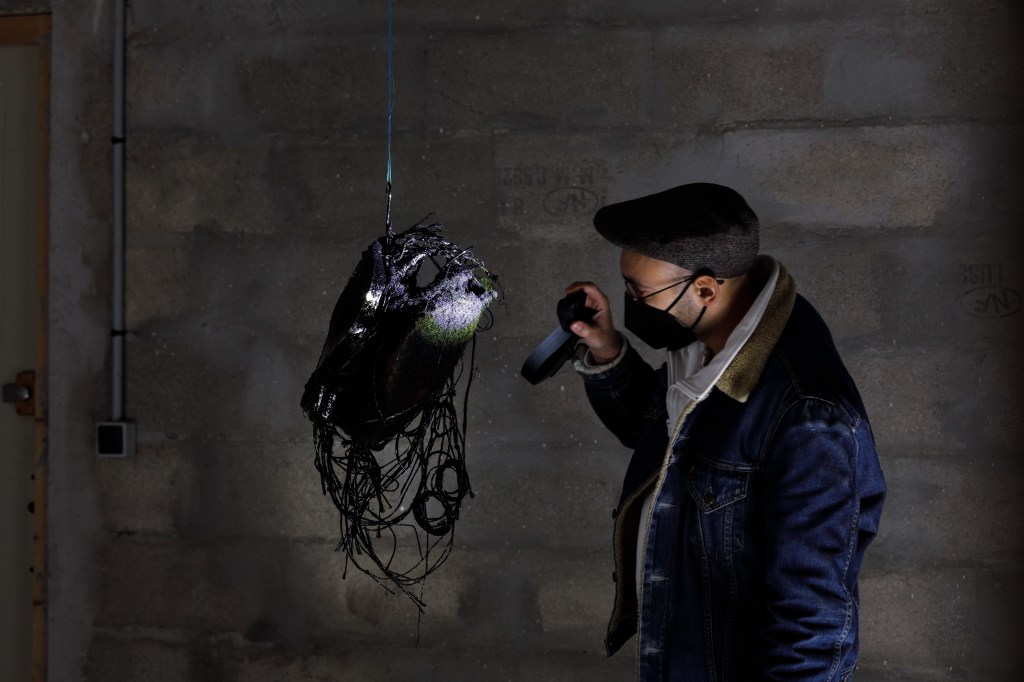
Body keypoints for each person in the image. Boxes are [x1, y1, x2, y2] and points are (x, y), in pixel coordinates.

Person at [566, 183, 886, 681]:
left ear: (705, 289)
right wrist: (607, 348)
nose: (631, 301)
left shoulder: (808, 416)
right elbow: (664, 437)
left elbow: (813, 626)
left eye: (639, 292)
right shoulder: (710, 344)